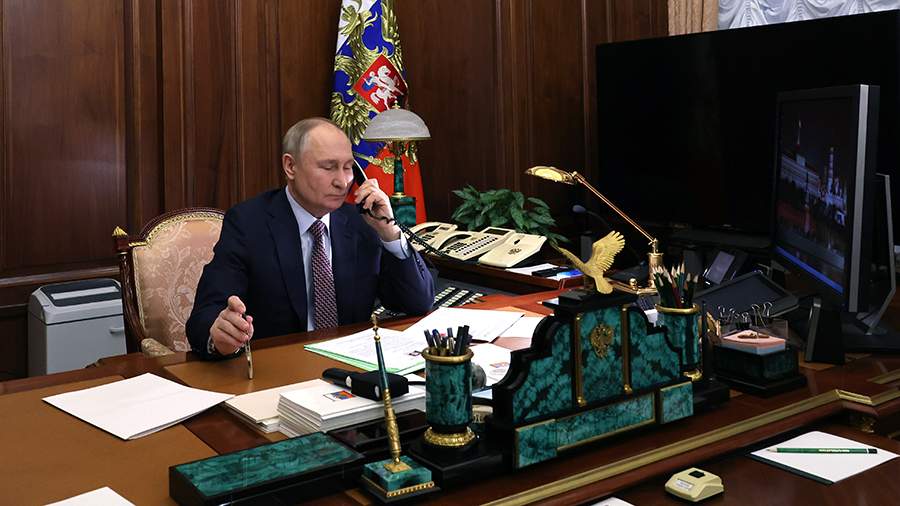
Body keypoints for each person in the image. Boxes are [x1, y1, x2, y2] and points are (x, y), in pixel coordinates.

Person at [186, 117, 435, 357]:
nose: (343, 182)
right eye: (329, 167)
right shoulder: (248, 223)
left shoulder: (364, 223)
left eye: (348, 167)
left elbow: (418, 303)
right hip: (281, 370)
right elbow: (204, 316)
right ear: (290, 166)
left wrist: (389, 232)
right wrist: (220, 333)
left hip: (351, 368)